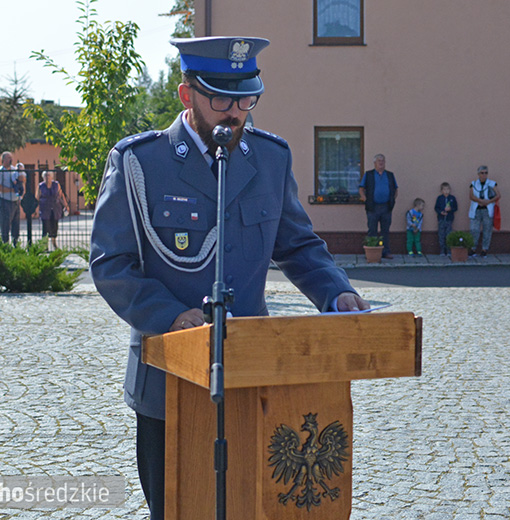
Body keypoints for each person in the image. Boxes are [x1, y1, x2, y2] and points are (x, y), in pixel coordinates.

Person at [89, 36, 369, 520]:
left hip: (252, 373)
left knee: (251, 504)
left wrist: (336, 292)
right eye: (220, 97)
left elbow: (298, 245)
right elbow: (111, 263)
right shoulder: (140, 163)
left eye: (246, 97)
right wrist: (173, 316)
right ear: (186, 95)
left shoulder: (269, 158)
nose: (234, 112)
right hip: (169, 379)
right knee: (179, 508)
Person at [359, 154, 398, 258]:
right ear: (374, 163)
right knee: (372, 230)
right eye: (379, 161)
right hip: (373, 207)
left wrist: (392, 200)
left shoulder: (390, 175)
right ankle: (372, 251)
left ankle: (386, 251)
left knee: (385, 230)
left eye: (383, 161)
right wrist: (366, 200)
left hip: (386, 207)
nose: (381, 163)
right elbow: (361, 189)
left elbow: (395, 189)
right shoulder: (369, 174)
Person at [0, 151, 25, 246]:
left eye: (11, 158)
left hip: (15, 201)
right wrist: (11, 190)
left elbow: (22, 180)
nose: (10, 160)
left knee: (16, 225)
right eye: (8, 158)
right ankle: (5, 245)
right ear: (3, 160)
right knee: (5, 226)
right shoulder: (0, 171)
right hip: (5, 201)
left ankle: (15, 245)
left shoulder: (14, 170)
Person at [468, 165, 501, 257]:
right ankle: (473, 248)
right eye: (482, 173)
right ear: (478, 174)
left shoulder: (492, 183)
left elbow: (498, 195)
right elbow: (471, 196)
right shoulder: (473, 184)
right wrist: (480, 201)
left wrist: (488, 202)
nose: (484, 175)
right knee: (474, 230)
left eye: (486, 173)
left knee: (487, 230)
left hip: (487, 210)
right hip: (476, 210)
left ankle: (484, 249)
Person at [36, 170, 69, 250]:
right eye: (45, 176)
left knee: (54, 226)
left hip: (55, 208)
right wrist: (36, 210)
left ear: (52, 177)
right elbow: (37, 198)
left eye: (49, 175)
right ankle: (45, 246)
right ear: (43, 177)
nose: (47, 177)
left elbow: (61, 195)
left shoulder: (56, 184)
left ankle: (54, 244)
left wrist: (66, 205)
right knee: (46, 227)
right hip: (45, 209)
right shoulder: (41, 186)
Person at [434, 182, 458, 255]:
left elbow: (456, 208)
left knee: (449, 234)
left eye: (448, 189)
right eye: (444, 189)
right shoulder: (439, 198)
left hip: (449, 219)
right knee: (441, 234)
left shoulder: (452, 198)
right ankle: (442, 250)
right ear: (441, 191)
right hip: (441, 219)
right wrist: (441, 212)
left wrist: (450, 209)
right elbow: (436, 208)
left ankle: (448, 250)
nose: (446, 191)